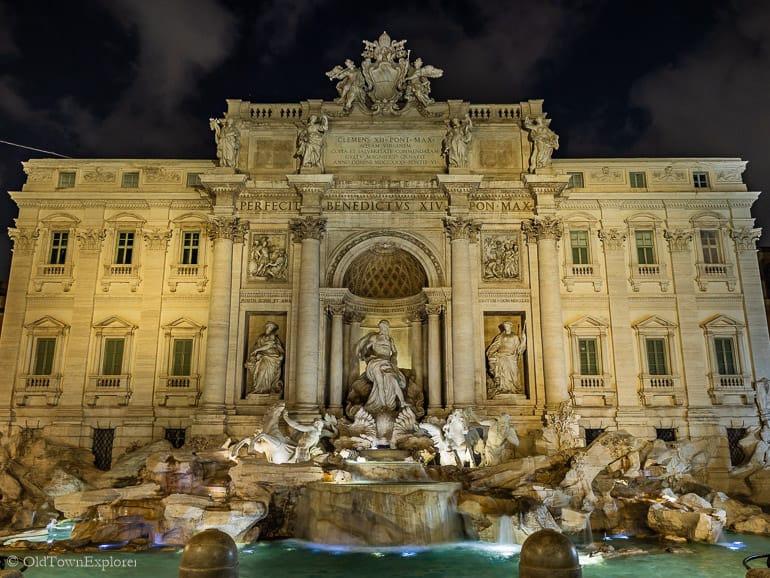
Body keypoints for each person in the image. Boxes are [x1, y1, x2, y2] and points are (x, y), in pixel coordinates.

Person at [356, 320, 407, 414]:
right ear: (380, 327)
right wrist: (364, 355)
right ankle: (383, 405)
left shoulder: (390, 340)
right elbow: (366, 348)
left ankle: (403, 403)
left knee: (394, 380)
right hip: (376, 362)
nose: (384, 329)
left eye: (386, 327)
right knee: (380, 383)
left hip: (387, 363)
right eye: (382, 327)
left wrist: (394, 359)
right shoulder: (374, 337)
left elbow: (394, 351)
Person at [486, 321, 527, 394]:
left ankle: (513, 388)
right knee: (503, 372)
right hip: (501, 356)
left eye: (507, 326)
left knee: (513, 373)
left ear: (511, 326)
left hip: (511, 357)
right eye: (505, 326)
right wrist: (490, 352)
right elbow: (496, 345)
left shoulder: (515, 336)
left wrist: (523, 341)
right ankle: (503, 388)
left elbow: (518, 348)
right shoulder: (500, 336)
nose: (506, 327)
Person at [244, 321, 284, 394]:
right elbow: (257, 346)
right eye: (267, 326)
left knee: (264, 372)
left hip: (272, 358)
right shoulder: (261, 337)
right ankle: (258, 389)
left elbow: (270, 346)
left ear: (272, 329)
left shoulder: (273, 337)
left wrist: (257, 350)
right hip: (262, 356)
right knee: (259, 372)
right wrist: (256, 354)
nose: (268, 328)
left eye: (270, 327)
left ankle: (265, 389)